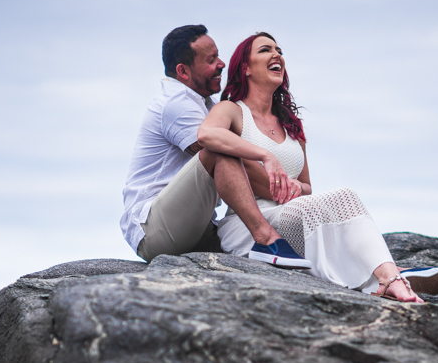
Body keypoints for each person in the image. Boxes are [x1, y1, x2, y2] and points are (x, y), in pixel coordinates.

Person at [197, 32, 438, 302]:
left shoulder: (291, 124)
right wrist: (265, 155)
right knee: (341, 198)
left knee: (335, 207)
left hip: (290, 214)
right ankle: (393, 275)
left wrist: (298, 186)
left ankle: (386, 276)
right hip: (250, 225)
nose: (277, 55)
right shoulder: (231, 110)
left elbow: (308, 187)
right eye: (265, 50)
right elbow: (207, 135)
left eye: (279, 50)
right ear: (245, 67)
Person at [121, 25, 310, 268]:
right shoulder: (176, 102)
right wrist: (276, 174)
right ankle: (265, 238)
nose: (221, 64)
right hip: (155, 229)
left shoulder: (208, 106)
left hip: (197, 227)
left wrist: (290, 188)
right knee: (220, 149)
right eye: (211, 60)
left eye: (218, 56)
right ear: (183, 71)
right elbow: (220, 152)